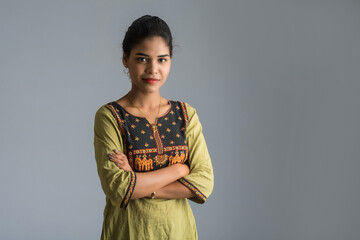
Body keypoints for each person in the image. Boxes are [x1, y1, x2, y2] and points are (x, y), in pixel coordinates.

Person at [93, 15, 214, 240]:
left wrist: (138, 180)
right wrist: (179, 170)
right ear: (125, 59)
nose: (153, 69)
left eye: (161, 59)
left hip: (178, 232)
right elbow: (118, 189)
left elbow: (204, 183)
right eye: (142, 59)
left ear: (170, 61)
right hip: (128, 232)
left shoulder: (186, 115)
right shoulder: (110, 117)